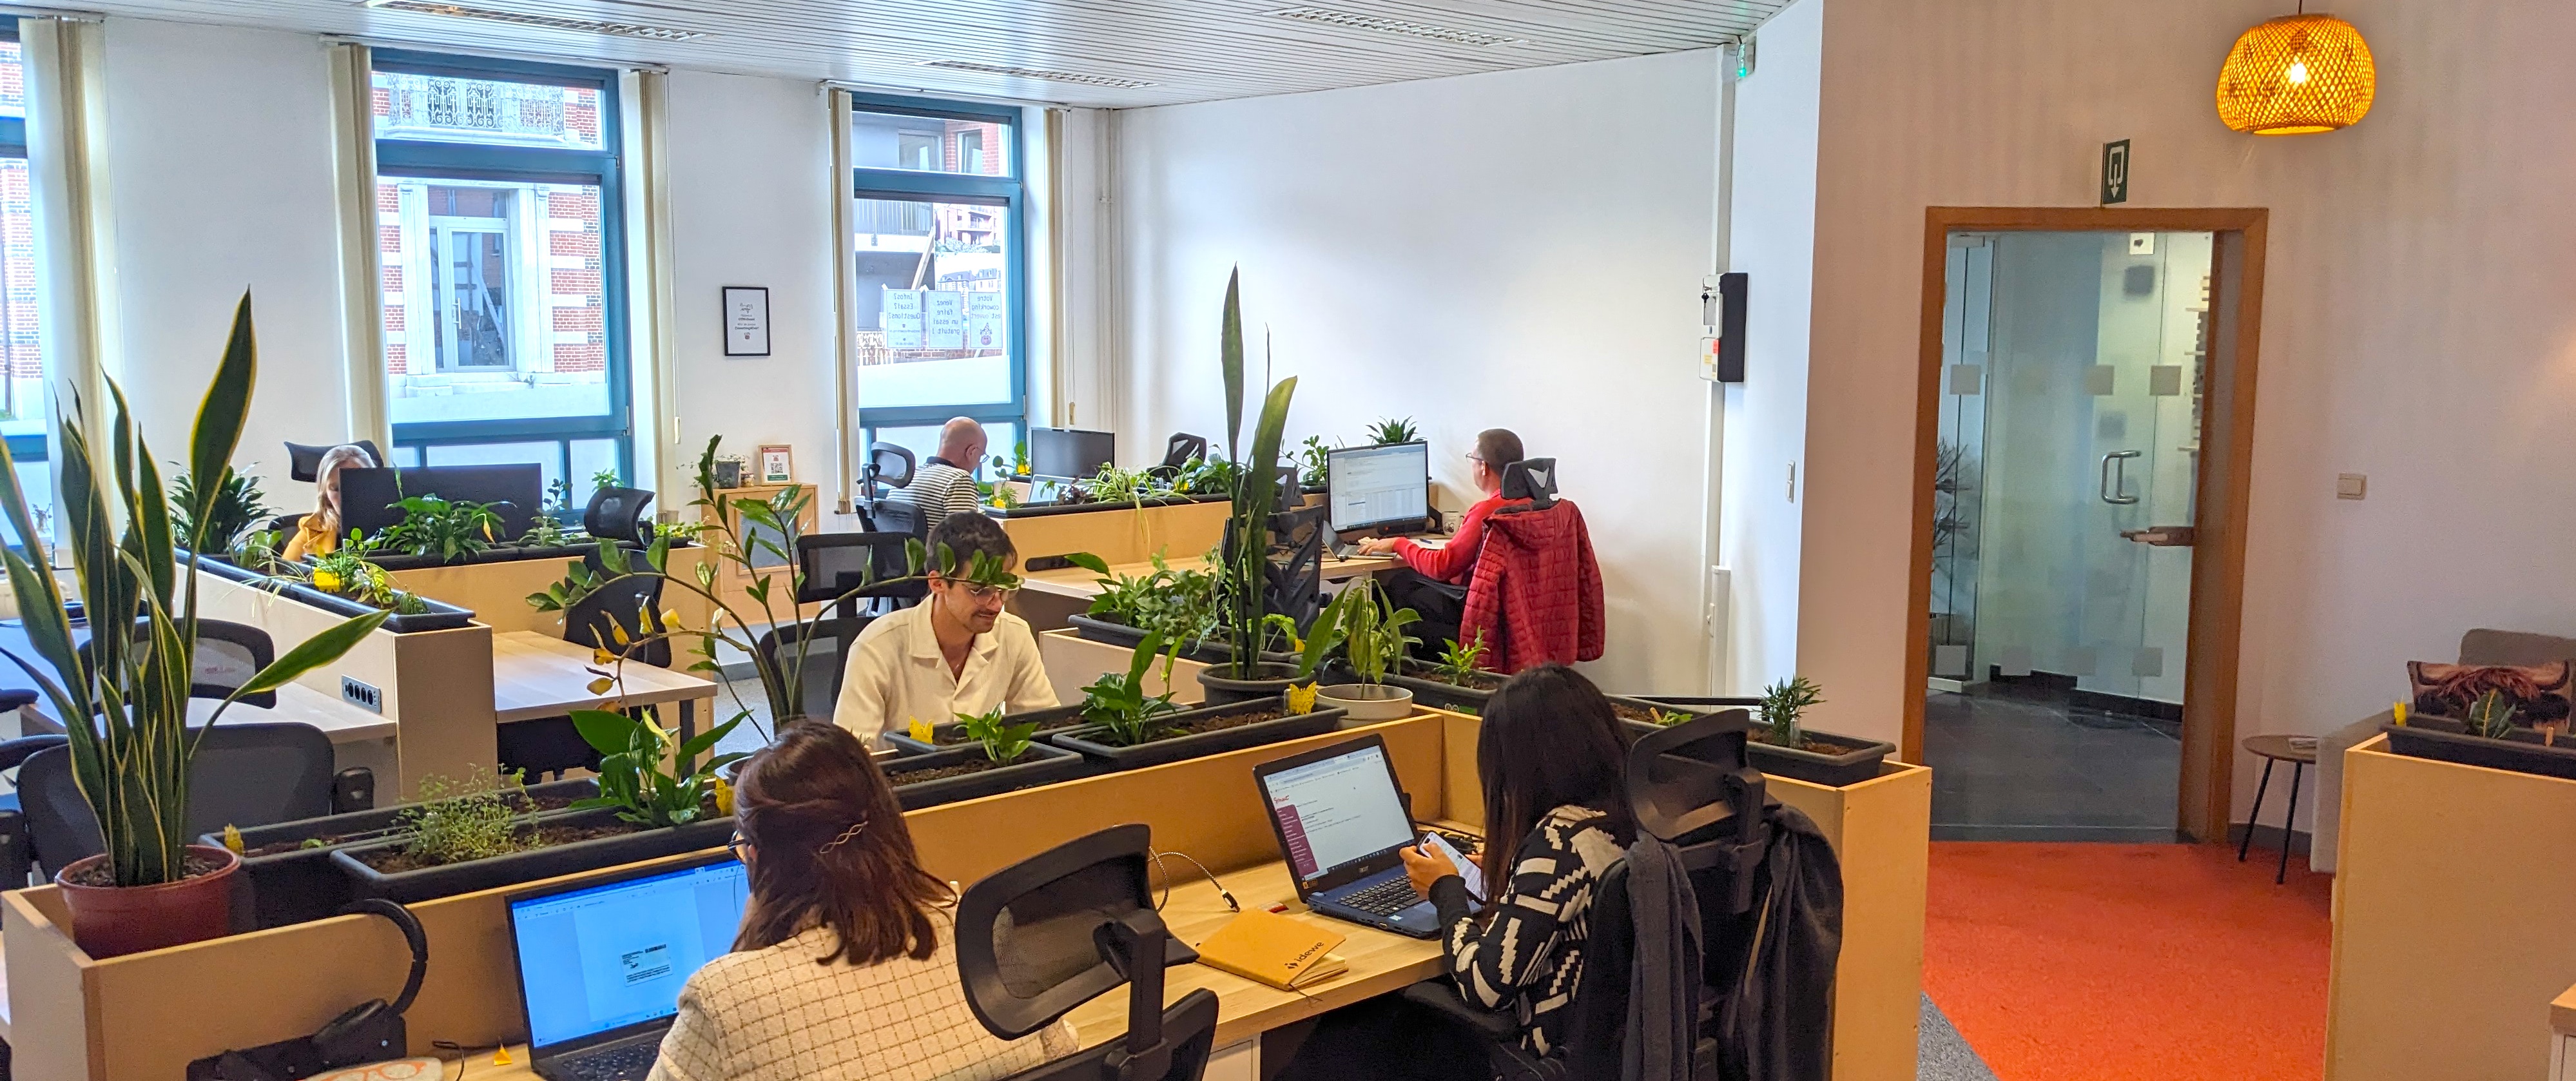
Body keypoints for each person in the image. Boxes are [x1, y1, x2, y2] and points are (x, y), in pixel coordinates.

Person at [649, 722, 1074, 1081]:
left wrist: (748, 954)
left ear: (759, 858)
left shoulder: (724, 998)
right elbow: (1063, 1057)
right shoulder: (983, 931)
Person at [1275, 665, 1634, 1080]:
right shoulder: (1620, 820)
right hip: (1597, 1052)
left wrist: (1447, 890)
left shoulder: (1559, 843)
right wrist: (1514, 876)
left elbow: (1486, 987)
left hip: (1530, 1058)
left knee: (1347, 1034)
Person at [832, 511, 1056, 746]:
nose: (997, 604)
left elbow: (1046, 727)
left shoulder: (1014, 635)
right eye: (980, 590)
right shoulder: (876, 647)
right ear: (937, 583)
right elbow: (851, 755)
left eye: (1003, 589)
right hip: (902, 771)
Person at [1355, 427, 1522, 653]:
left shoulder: (1487, 512)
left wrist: (1398, 544)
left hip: (1476, 610)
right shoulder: (1532, 505)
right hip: (1512, 612)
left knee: (1399, 584)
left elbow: (1442, 566)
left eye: (1472, 459)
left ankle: (1400, 670)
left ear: (1483, 467)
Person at [886, 417, 990, 527]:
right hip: (933, 540)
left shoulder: (903, 478)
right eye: (980, 456)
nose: (979, 464)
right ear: (972, 452)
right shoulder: (959, 480)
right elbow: (966, 535)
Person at [282, 443, 378, 562]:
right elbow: (283, 571)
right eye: (336, 489)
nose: (346, 495)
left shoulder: (396, 529)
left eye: (356, 485)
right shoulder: (312, 533)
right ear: (325, 494)